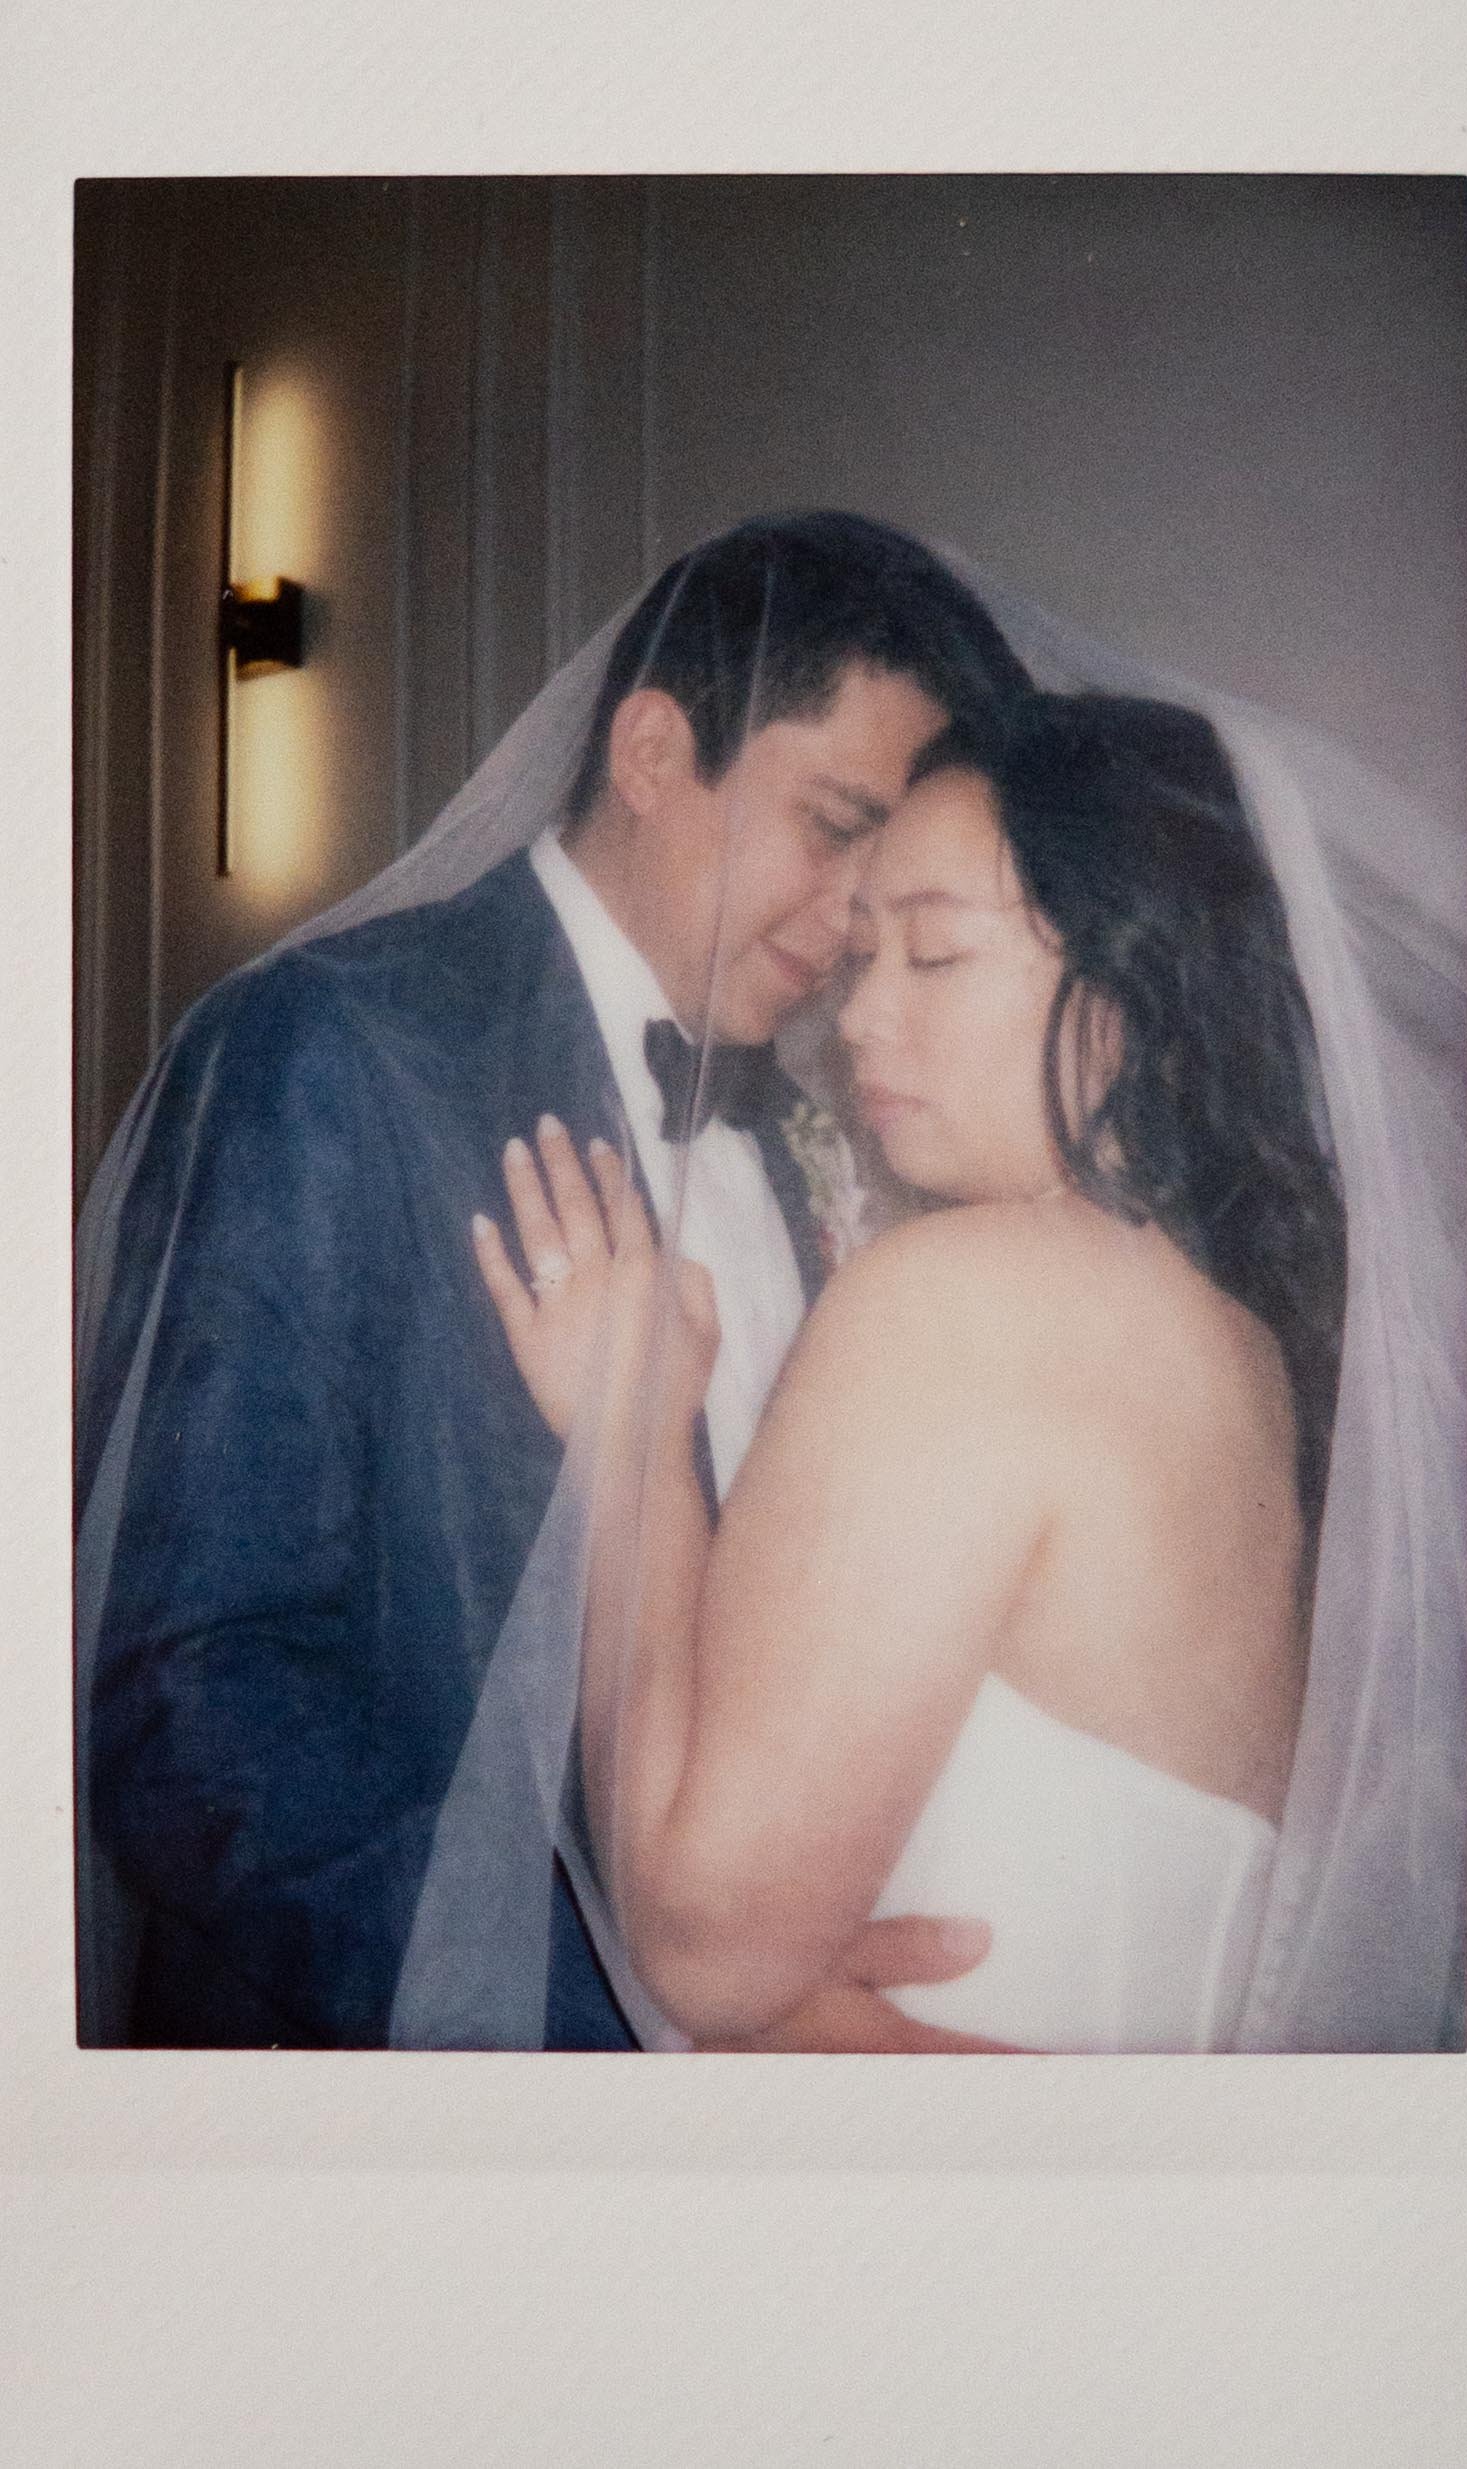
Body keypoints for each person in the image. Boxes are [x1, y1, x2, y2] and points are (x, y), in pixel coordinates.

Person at [75, 511, 1031, 2051]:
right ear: (655, 750)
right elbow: (190, 1694)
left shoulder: (810, 1133)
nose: (861, 916)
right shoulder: (324, 1048)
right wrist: (634, 2010)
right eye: (834, 824)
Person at [474, 690, 1351, 2051]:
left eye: (934, 954)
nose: (859, 1016)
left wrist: (636, 1443)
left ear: (1136, 982)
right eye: (863, 950)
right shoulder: (1240, 1343)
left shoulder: (968, 1300)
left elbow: (698, 1943)